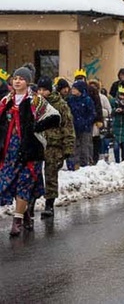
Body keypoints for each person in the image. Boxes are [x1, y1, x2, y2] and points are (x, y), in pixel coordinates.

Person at [0, 66, 60, 236]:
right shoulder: (6, 101)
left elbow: (55, 117)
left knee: (24, 183)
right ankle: (25, 212)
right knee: (9, 182)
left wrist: (35, 126)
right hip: (10, 149)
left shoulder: (36, 100)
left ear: (27, 82)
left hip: (30, 148)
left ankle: (17, 220)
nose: (17, 81)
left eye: (21, 78)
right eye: (15, 78)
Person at [35, 76, 75, 219]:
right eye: (39, 89)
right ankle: (30, 203)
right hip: (38, 144)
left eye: (44, 90)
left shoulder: (60, 105)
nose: (41, 92)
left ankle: (49, 204)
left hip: (54, 145)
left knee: (51, 175)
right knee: (34, 174)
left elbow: (68, 127)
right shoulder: (35, 104)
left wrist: (68, 147)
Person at [68, 80, 96, 168]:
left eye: (75, 89)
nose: (72, 90)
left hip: (85, 128)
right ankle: (75, 164)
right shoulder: (71, 100)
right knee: (75, 146)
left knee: (85, 147)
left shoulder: (87, 100)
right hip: (74, 127)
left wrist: (86, 122)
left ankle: (85, 164)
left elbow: (92, 113)